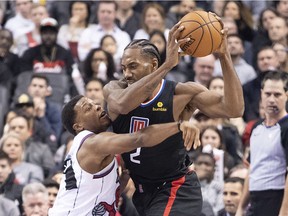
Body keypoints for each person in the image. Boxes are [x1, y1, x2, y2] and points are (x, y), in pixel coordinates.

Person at [103, 18, 244, 215]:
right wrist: (167, 65)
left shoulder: (181, 94)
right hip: (143, 192)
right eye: (124, 67)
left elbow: (234, 109)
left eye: (133, 66)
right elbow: (123, 105)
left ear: (153, 64)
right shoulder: (114, 89)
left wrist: (224, 55)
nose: (126, 73)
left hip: (176, 187)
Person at [49, 95, 200, 215]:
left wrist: (119, 183)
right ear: (78, 126)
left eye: (95, 103)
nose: (97, 107)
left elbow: (93, 195)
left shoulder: (88, 148)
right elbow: (139, 138)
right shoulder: (93, 143)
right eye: (88, 108)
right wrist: (178, 126)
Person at [236, 71, 288, 216]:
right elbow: (253, 168)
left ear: (286, 95)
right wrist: (241, 208)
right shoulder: (256, 127)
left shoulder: (286, 127)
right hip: (255, 199)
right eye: (268, 94)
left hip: (277, 197)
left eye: (277, 95)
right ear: (261, 94)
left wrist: (284, 212)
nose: (271, 99)